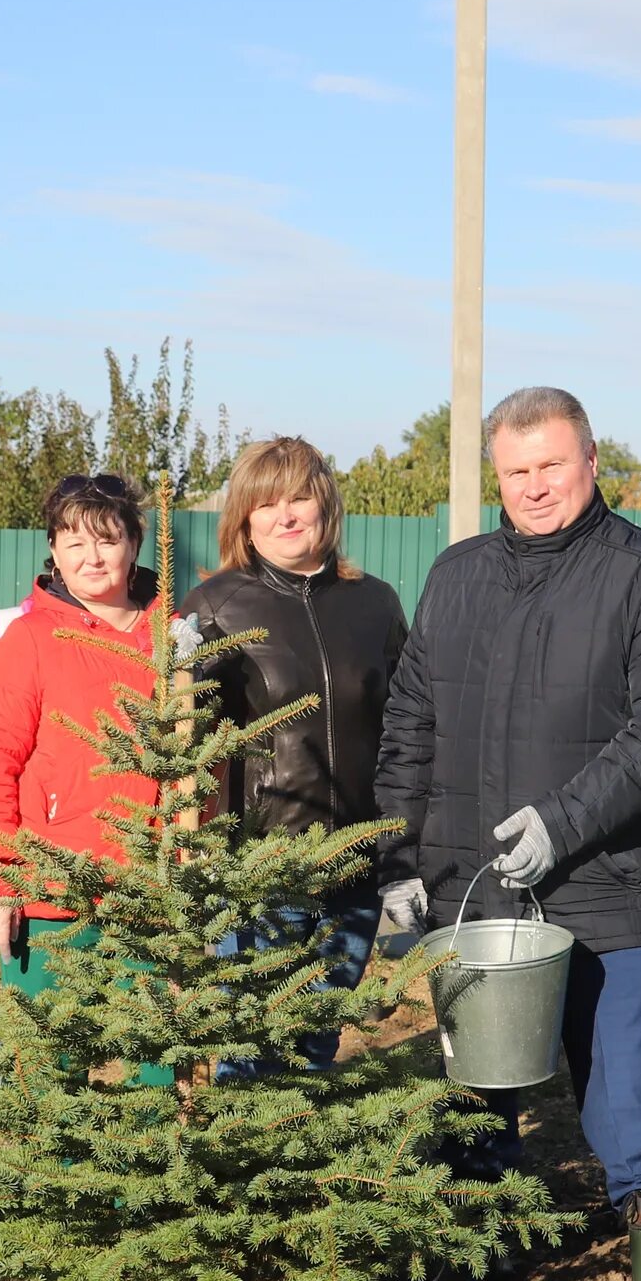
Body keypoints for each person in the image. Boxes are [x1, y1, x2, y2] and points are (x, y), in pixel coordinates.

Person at [374, 386, 641, 1281]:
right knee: (471, 1092)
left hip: (609, 890)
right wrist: (399, 860)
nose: (534, 486)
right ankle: (470, 1249)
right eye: (516, 471)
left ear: (591, 462)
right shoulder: (458, 577)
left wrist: (565, 821)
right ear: (498, 475)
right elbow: (412, 720)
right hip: (475, 896)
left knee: (629, 1089)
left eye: (552, 466)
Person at [177, 436, 409, 1074]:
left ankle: (302, 1172)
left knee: (316, 1041)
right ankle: (242, 1169)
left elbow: (408, 727)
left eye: (299, 498)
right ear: (244, 519)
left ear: (324, 505)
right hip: (262, 872)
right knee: (249, 1053)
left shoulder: (375, 604)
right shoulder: (218, 604)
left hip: (355, 866)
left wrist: (402, 844)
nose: (285, 516)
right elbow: (181, 736)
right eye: (266, 503)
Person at [0, 475, 168, 1048]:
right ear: (54, 550)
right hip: (52, 895)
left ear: (134, 543)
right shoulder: (30, 639)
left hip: (150, 897)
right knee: (50, 1074)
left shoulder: (174, 639)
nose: (92, 557)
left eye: (107, 539)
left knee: (150, 1077)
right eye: (74, 542)